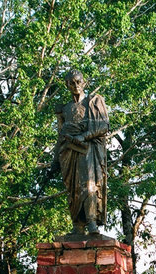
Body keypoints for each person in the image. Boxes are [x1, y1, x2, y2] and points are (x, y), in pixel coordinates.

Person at [51, 70, 109, 236]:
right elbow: (60, 135)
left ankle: (91, 222)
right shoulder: (65, 108)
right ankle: (77, 225)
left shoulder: (93, 102)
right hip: (68, 153)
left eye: (78, 82)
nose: (75, 86)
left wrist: (84, 136)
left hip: (88, 150)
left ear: (84, 82)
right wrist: (55, 160)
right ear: (67, 85)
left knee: (89, 185)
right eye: (71, 83)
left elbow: (103, 126)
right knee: (73, 189)